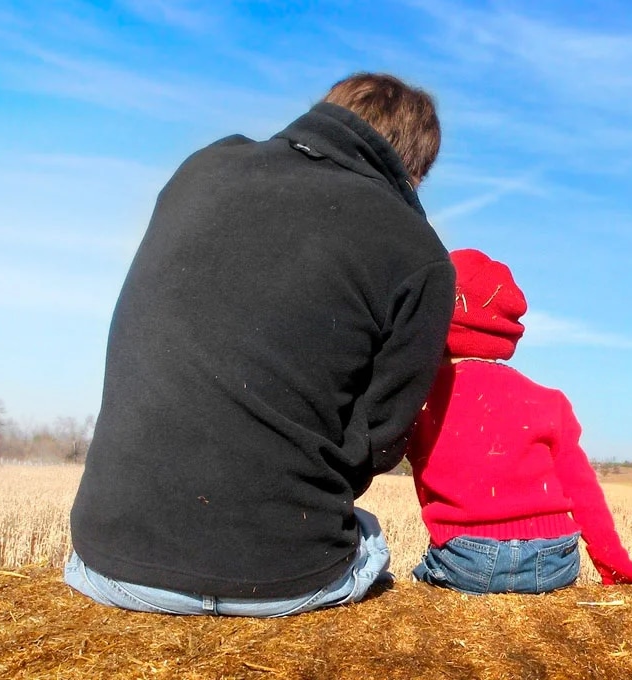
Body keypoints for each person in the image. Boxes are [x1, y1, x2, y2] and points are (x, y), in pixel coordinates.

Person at [65, 73, 456, 617]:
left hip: (105, 562)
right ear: (413, 170)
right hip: (281, 578)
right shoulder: (420, 254)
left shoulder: (202, 167)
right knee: (368, 536)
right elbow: (380, 439)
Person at [406, 248, 632, 594]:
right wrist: (612, 558)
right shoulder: (549, 401)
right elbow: (581, 487)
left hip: (468, 558)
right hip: (556, 558)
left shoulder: (421, 399)